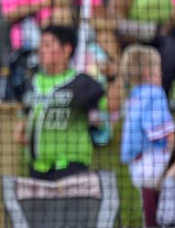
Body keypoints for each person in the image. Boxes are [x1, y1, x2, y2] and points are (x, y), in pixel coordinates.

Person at [14, 24, 106, 180]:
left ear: (66, 49)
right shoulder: (32, 80)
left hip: (70, 168)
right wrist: (21, 126)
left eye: (47, 45)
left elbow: (111, 107)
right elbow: (26, 110)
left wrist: (112, 77)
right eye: (41, 45)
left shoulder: (81, 82)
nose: (41, 50)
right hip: (36, 168)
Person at [118, 45, 175, 228]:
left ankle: (152, 227)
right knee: (168, 198)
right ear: (148, 72)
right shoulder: (154, 93)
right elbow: (160, 129)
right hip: (155, 159)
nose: (161, 74)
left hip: (137, 164)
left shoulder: (133, 96)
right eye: (159, 70)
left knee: (150, 200)